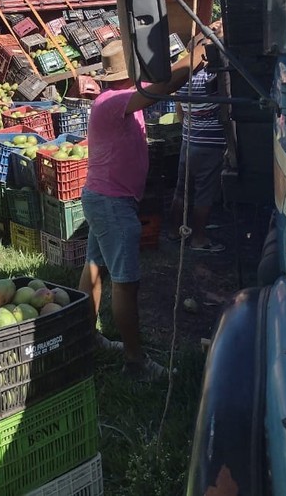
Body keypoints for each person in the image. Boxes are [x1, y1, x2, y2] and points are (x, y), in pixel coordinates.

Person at [80, 23, 220, 380]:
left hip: (105, 198)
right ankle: (135, 362)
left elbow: (163, 81)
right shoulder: (114, 101)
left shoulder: (118, 98)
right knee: (126, 282)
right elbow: (165, 86)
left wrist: (195, 46)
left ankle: (85, 338)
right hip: (112, 203)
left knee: (94, 268)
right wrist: (198, 54)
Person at [168, 65, 227, 252]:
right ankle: (199, 239)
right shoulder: (212, 76)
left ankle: (174, 231)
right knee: (204, 193)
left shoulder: (183, 79)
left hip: (188, 141)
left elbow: (179, 110)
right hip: (209, 145)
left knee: (181, 190)